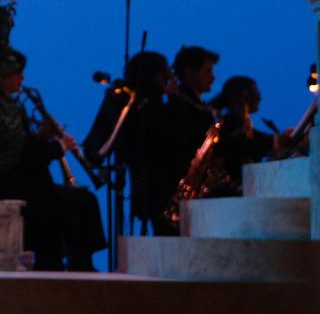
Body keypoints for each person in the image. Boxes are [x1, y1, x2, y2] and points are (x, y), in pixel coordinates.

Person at [0, 50, 106, 271]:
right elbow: (27, 154)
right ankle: (80, 263)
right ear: (4, 76)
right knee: (84, 201)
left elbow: (27, 147)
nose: (22, 78)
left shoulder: (10, 107)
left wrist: (44, 137)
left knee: (80, 198)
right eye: (18, 73)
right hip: (22, 188)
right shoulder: (5, 110)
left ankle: (76, 261)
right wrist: (60, 145)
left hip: (28, 184)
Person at [154, 45, 219, 233]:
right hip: (178, 190)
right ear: (189, 72)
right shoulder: (179, 104)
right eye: (208, 71)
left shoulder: (195, 105)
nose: (213, 77)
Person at [112, 51, 175, 235]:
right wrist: (175, 101)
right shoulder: (149, 108)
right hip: (158, 188)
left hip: (151, 188)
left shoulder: (141, 106)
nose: (169, 76)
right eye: (165, 72)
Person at [208, 75, 290, 195]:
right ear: (243, 96)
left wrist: (277, 141)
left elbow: (254, 141)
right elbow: (241, 145)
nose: (260, 97)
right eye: (255, 92)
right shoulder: (227, 125)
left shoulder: (237, 124)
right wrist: (275, 141)